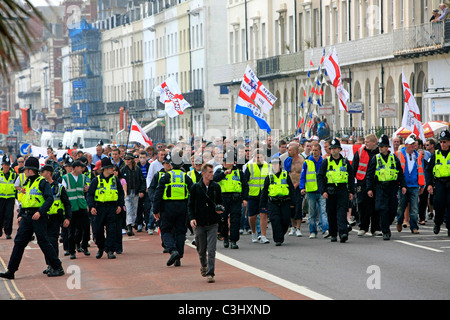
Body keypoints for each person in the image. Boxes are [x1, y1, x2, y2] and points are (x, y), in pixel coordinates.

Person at [0, 157, 64, 279]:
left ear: (31, 170)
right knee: (19, 242)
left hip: (38, 216)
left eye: (26, 169)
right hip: (27, 216)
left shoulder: (42, 182)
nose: (24, 172)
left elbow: (49, 198)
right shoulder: (28, 182)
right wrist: (20, 215)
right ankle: (11, 271)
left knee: (43, 242)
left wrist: (40, 212)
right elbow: (26, 200)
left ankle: (57, 267)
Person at [153, 149, 194, 267]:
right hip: (182, 207)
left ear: (171, 164)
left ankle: (172, 250)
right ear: (181, 165)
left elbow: (158, 194)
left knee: (165, 230)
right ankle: (178, 257)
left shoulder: (166, 176)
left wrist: (156, 210)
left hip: (168, 207)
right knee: (180, 232)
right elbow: (193, 191)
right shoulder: (185, 177)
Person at [366, 135, 407, 240]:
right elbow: (370, 175)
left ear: (387, 147)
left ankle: (386, 224)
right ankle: (385, 231)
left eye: (383, 146)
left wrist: (403, 185)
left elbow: (400, 173)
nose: (380, 148)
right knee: (382, 208)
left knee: (393, 209)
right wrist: (369, 188)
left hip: (392, 187)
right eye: (380, 146)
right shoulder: (375, 158)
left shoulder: (394, 158)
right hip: (380, 187)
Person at [188, 163, 224, 283]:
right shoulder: (195, 187)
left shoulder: (216, 187)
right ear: (203, 174)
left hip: (213, 222)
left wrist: (220, 209)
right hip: (200, 223)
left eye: (212, 172)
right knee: (201, 249)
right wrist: (192, 218)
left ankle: (210, 273)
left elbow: (221, 202)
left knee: (212, 249)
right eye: (210, 172)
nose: (212, 174)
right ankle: (204, 265)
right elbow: (190, 205)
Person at [317, 138, 355, 243]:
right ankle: (333, 233)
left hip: (342, 190)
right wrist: (323, 191)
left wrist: (351, 191)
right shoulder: (326, 162)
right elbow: (320, 177)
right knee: (331, 212)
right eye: (332, 149)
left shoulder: (345, 162)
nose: (333, 150)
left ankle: (343, 233)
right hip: (330, 190)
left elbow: (351, 178)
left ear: (339, 149)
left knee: (342, 212)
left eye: (335, 148)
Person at [86, 157, 125, 259]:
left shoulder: (115, 180)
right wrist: (91, 206)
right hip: (99, 208)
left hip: (112, 208)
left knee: (112, 230)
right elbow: (90, 194)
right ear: (106, 169)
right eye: (111, 168)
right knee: (98, 230)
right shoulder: (96, 180)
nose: (113, 169)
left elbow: (121, 194)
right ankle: (101, 247)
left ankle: (110, 250)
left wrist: (120, 205)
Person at [40, 162, 72, 273]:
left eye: (43, 172)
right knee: (45, 242)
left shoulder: (59, 187)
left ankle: (54, 265)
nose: (41, 174)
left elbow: (67, 203)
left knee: (52, 241)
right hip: (43, 217)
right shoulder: (41, 186)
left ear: (48, 173)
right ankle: (49, 264)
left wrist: (68, 218)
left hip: (55, 217)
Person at [213, 152, 249, 249]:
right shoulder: (219, 171)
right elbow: (214, 180)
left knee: (235, 219)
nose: (225, 163)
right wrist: (224, 174)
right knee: (223, 219)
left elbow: (245, 186)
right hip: (223, 199)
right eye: (224, 161)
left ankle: (233, 240)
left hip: (236, 199)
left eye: (227, 161)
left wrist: (245, 199)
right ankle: (225, 237)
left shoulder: (239, 172)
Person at [260, 157, 295, 246]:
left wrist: (292, 202)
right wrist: (262, 204)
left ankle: (280, 234)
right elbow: (264, 191)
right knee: (275, 220)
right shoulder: (269, 176)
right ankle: (278, 240)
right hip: (273, 202)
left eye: (276, 164)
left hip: (285, 201)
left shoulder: (285, 174)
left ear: (280, 165)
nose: (275, 166)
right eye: (273, 164)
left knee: (285, 220)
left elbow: (291, 189)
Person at [352, 134, 382, 237]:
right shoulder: (360, 152)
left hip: (376, 183)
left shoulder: (379, 152)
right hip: (362, 182)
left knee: (375, 206)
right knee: (362, 205)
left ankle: (376, 228)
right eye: (365, 142)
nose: (365, 144)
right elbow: (354, 167)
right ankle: (363, 227)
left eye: (367, 142)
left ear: (374, 142)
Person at [395, 136, 425, 234]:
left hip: (414, 185)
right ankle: (399, 221)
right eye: (410, 144)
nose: (413, 146)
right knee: (401, 207)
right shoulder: (398, 154)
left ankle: (414, 226)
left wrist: (422, 185)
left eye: (414, 144)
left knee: (414, 208)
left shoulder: (418, 156)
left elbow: (421, 171)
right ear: (406, 145)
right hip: (403, 185)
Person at [62, 159, 90, 259]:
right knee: (71, 230)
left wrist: (87, 189)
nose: (83, 169)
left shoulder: (83, 177)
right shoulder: (66, 178)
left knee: (86, 227)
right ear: (75, 168)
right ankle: (72, 251)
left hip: (82, 206)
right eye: (81, 167)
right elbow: (63, 192)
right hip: (71, 207)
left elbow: (86, 189)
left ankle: (84, 246)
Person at [300, 144, 330, 239]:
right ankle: (313, 231)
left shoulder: (324, 162)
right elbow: (303, 176)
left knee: (324, 211)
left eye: (316, 150)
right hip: (311, 191)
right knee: (312, 214)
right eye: (313, 150)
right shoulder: (307, 162)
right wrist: (302, 187)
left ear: (320, 151)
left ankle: (325, 229)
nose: (314, 152)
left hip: (321, 191)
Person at [426, 130, 450, 236]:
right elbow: (428, 170)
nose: (443, 144)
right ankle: (437, 223)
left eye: (445, 142)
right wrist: (429, 184)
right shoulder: (436, 154)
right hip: (440, 183)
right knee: (439, 205)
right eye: (441, 142)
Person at [244, 148, 271, 244]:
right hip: (252, 195)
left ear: (264, 157)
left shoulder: (268, 167)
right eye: (257, 157)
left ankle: (263, 235)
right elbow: (245, 182)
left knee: (264, 214)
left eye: (261, 157)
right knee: (252, 216)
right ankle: (254, 233)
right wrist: (244, 197)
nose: (259, 158)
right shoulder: (250, 167)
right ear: (254, 157)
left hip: (264, 195)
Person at [121, 153, 146, 236]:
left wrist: (142, 190)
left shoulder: (137, 169)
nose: (127, 161)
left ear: (131, 160)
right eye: (126, 159)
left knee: (134, 210)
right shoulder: (123, 170)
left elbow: (142, 180)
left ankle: (131, 224)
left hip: (135, 192)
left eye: (128, 159)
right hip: (126, 193)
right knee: (128, 209)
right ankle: (129, 226)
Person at [285, 142, 304, 237]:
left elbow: (303, 175)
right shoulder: (288, 161)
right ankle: (292, 226)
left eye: (290, 150)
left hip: (298, 187)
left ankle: (299, 228)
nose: (288, 151)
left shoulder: (302, 161)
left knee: (298, 207)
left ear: (295, 151)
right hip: (289, 187)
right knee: (290, 207)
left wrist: (298, 184)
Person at [0, 154, 17, 239]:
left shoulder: (14, 174)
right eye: (5, 165)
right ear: (2, 165)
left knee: (9, 215)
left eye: (8, 165)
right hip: (1, 198)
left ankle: (8, 232)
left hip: (10, 198)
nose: (6, 167)